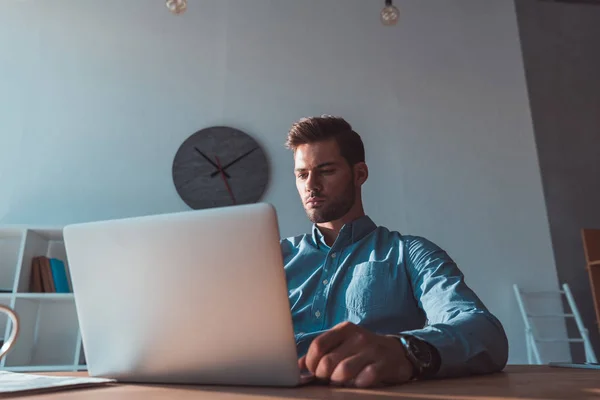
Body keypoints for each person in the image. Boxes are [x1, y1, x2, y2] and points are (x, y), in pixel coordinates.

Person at [280, 115, 508, 388]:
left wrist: (405, 350)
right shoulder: (273, 258)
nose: (311, 184)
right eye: (302, 174)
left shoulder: (409, 253)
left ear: (359, 174)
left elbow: (484, 333)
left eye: (326, 171)